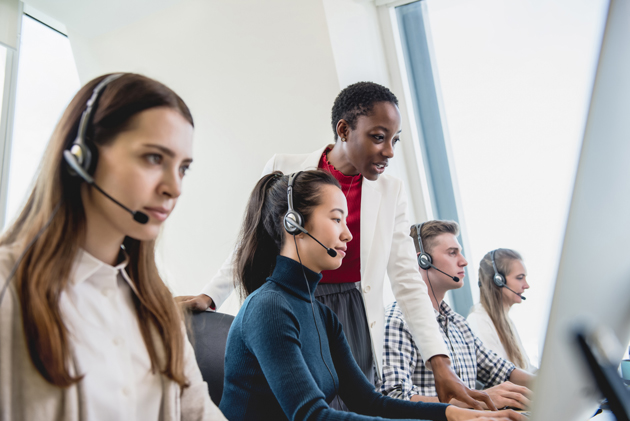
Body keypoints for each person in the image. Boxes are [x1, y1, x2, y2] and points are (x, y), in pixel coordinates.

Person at [178, 82, 495, 409]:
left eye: (395, 140)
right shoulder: (286, 170)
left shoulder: (390, 191)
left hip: (348, 313)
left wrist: (440, 365)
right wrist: (210, 296)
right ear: (344, 130)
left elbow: (406, 279)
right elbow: (252, 239)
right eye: (378, 136)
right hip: (293, 299)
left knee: (358, 404)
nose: (389, 151)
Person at [0, 73, 226, 421]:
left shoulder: (155, 303)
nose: (174, 187)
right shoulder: (8, 288)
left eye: (183, 168)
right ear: (82, 154)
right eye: (154, 158)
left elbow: (198, 412)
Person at [219, 170, 524, 421]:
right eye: (336, 219)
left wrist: (452, 414)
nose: (347, 234)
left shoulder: (322, 314)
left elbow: (370, 402)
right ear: (294, 223)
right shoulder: (269, 308)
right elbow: (312, 417)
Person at [381, 221, 534, 410]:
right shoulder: (397, 321)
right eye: (452, 253)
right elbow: (394, 399)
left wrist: (550, 383)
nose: (464, 261)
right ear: (423, 261)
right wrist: (475, 402)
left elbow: (502, 370)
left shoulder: (458, 324)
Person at [467, 249, 534, 372]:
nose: (526, 285)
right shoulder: (479, 321)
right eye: (520, 278)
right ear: (499, 281)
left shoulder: (506, 321)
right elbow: (500, 375)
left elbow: (526, 368)